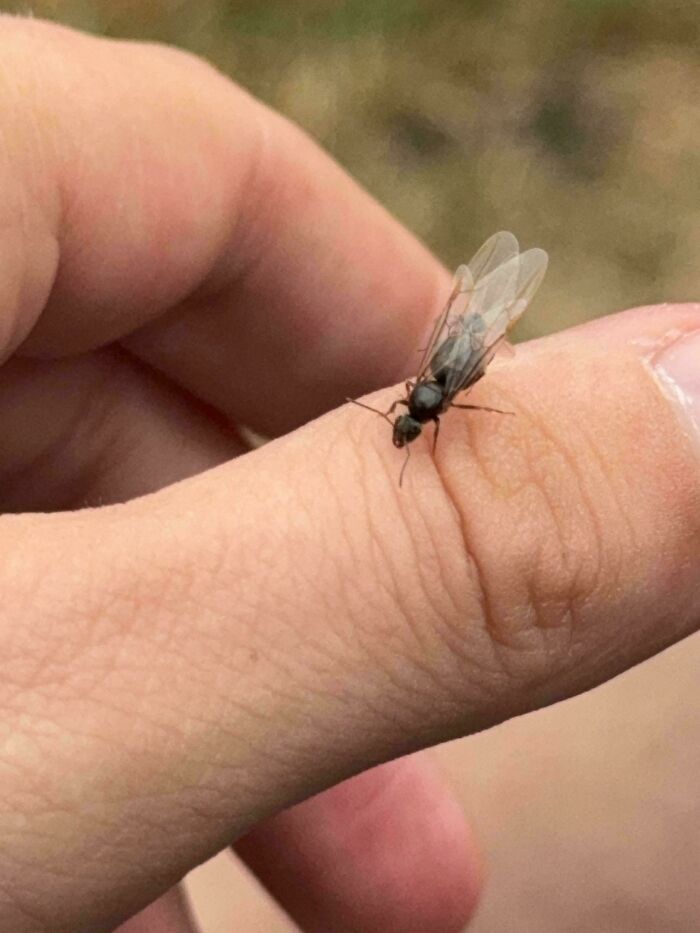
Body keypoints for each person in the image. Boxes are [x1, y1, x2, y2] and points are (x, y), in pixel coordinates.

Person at [0, 17, 698, 933]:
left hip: (464, 360)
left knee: (469, 344)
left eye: (408, 423)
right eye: (407, 423)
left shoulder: (435, 400)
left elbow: (464, 354)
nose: (403, 427)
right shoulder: (411, 401)